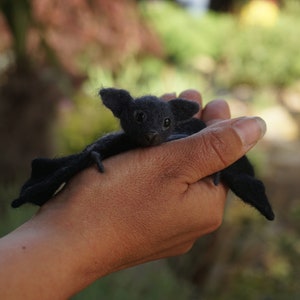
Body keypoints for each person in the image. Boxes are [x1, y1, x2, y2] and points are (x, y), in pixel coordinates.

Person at [0, 90, 266, 299]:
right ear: (121, 109)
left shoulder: (182, 133)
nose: (151, 132)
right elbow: (100, 148)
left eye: (163, 123)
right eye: (140, 119)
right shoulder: (114, 143)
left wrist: (214, 166)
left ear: (175, 119)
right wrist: (78, 237)